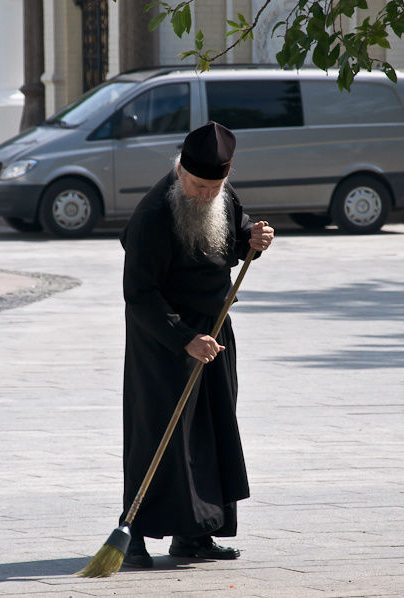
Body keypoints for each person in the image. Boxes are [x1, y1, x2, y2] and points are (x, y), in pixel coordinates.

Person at [118, 121, 274, 568]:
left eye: (215, 185)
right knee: (159, 435)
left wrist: (255, 240)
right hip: (163, 340)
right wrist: (184, 339)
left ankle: (196, 535)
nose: (206, 194)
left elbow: (238, 234)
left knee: (211, 430)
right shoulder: (153, 214)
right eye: (198, 184)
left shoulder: (222, 196)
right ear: (181, 170)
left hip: (215, 328)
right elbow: (139, 294)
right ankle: (134, 537)